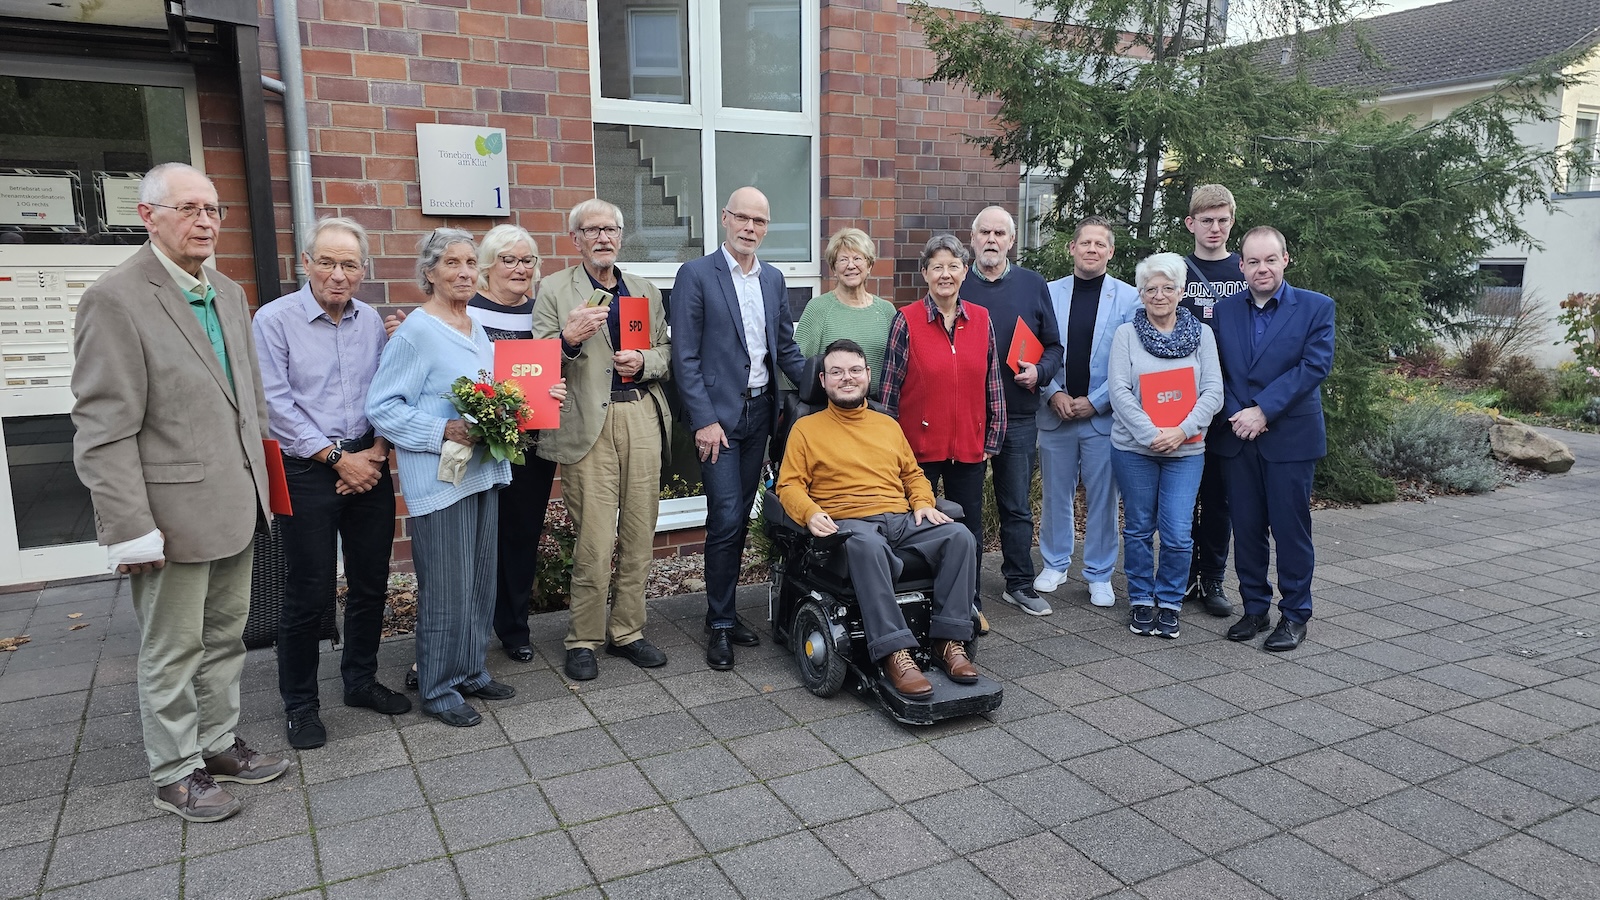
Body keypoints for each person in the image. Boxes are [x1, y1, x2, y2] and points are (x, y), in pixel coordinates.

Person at [71, 162, 288, 822]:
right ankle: (173, 771)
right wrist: (128, 526)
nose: (205, 221)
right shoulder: (115, 298)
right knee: (173, 649)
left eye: (214, 210)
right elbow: (102, 428)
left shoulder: (225, 290)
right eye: (190, 208)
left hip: (236, 502)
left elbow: (247, 400)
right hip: (169, 515)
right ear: (148, 215)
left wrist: (266, 483)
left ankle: (216, 744)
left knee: (226, 637)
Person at [367, 230, 536, 726]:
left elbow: (489, 389)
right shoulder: (419, 331)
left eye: (470, 263)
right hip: (440, 482)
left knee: (481, 579)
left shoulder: (473, 326)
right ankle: (439, 687)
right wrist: (443, 428)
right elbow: (382, 408)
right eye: (451, 263)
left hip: (481, 473)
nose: (464, 272)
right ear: (430, 273)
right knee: (445, 586)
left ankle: (470, 670)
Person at [253, 217, 408, 751]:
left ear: (363, 270)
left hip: (368, 461)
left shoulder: (374, 324)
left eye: (349, 264)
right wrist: (338, 459)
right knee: (307, 592)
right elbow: (275, 405)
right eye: (327, 261)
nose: (338, 274)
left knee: (369, 583)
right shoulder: (273, 320)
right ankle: (300, 705)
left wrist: (374, 455)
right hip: (306, 470)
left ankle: (359, 682)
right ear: (306, 263)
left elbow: (391, 393)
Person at [777, 340, 979, 698]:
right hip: (849, 524)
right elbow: (789, 485)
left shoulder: (887, 425)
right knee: (867, 544)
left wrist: (922, 502)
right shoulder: (806, 429)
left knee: (959, 536)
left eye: (855, 370)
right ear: (822, 381)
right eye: (836, 372)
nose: (847, 378)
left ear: (868, 375)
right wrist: (809, 513)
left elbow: (913, 474)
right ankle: (893, 653)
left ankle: (948, 641)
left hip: (900, 519)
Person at [533, 199, 672, 681]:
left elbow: (667, 352)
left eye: (611, 229)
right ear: (576, 239)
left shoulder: (644, 290)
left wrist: (646, 363)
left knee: (639, 533)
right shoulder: (552, 289)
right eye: (592, 230)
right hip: (587, 424)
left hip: (640, 417)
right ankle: (584, 637)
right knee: (594, 538)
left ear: (621, 236)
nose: (603, 238)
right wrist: (568, 339)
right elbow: (536, 363)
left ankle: (628, 632)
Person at [670, 186, 807, 670]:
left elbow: (785, 351)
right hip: (718, 422)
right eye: (743, 218)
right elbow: (682, 356)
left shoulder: (772, 279)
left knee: (741, 517)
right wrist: (703, 420)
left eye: (760, 221)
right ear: (725, 219)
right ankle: (721, 624)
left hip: (759, 416)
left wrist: (835, 379)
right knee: (726, 518)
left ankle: (721, 612)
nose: (751, 228)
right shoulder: (696, 275)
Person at [1212, 226, 1334, 652]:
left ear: (1285, 259)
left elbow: (1313, 368)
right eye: (1253, 261)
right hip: (1237, 437)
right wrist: (1237, 414)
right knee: (1245, 530)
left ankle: (1296, 614)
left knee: (1290, 530)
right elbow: (1219, 371)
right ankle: (1255, 607)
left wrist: (1263, 410)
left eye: (1270, 259)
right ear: (1241, 265)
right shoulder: (1225, 311)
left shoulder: (1316, 308)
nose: (1261, 268)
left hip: (1289, 439)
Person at [880, 234, 1005, 623]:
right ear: (925, 274)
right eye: (937, 267)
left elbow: (993, 381)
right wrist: (886, 444)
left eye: (953, 266)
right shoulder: (907, 320)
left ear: (965, 272)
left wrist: (993, 433)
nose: (945, 274)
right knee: (914, 526)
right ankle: (915, 600)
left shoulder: (982, 319)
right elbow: (888, 387)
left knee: (968, 530)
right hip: (915, 448)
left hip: (968, 444)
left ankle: (968, 604)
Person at [1107, 253, 1223, 639]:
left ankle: (1170, 601)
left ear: (1181, 292)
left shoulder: (1202, 335)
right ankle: (1141, 598)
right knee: (1139, 528)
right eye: (1151, 289)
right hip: (1134, 449)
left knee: (1176, 531)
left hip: (1186, 451)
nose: (1159, 295)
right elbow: (1120, 392)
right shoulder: (1126, 335)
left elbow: (1213, 392)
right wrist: (1151, 433)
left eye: (1167, 288)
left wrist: (1181, 430)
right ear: (1141, 294)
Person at [962, 206, 1063, 620]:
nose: (991, 239)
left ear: (1011, 240)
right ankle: (963, 590)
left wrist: (1040, 373)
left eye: (999, 233)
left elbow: (1055, 347)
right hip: (966, 416)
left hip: (1018, 415)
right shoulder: (954, 282)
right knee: (964, 508)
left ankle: (1018, 583)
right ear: (972, 239)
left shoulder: (1032, 284)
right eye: (984, 231)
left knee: (1016, 505)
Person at [1035, 216, 1139, 608]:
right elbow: (1033, 351)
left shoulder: (1129, 298)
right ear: (1072, 248)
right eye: (1086, 243)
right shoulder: (1047, 293)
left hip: (1102, 415)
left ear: (1110, 252)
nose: (1092, 249)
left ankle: (1098, 573)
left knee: (1103, 498)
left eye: (1100, 244)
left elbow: (1131, 361)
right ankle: (1055, 563)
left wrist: (1096, 400)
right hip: (1056, 412)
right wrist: (1052, 393)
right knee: (1055, 494)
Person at [466, 223, 559, 663]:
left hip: (533, 446)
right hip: (479, 447)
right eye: (509, 259)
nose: (520, 268)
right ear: (488, 265)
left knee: (522, 536)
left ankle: (515, 628)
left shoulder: (542, 314)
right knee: (478, 539)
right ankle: (470, 632)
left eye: (528, 260)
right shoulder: (465, 312)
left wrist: (558, 387)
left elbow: (556, 368)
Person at [1178, 185, 1249, 618]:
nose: (1215, 228)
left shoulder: (1245, 271)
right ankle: (1183, 573)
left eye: (1222, 220)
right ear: (1192, 223)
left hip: (1230, 406)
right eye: (1207, 220)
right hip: (1182, 404)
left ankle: (1214, 579)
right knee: (1183, 500)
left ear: (1231, 222)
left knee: (1219, 500)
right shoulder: (1176, 270)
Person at [793, 227, 898, 396]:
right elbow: (795, 364)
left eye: (857, 258)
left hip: (876, 410)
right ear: (834, 269)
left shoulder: (886, 311)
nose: (851, 266)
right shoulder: (818, 308)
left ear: (869, 265)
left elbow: (896, 367)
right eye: (843, 260)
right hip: (830, 409)